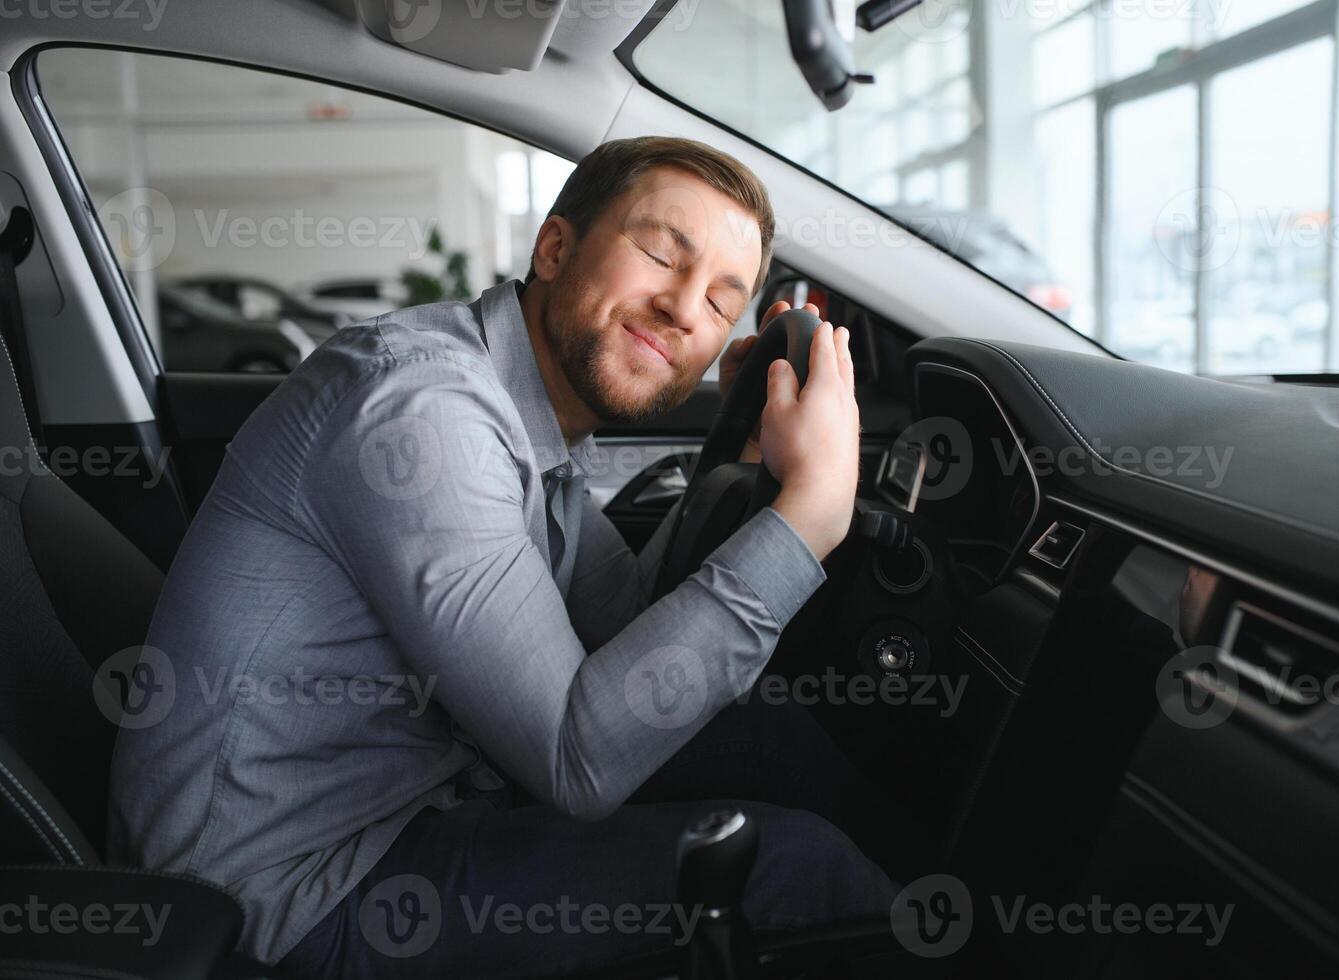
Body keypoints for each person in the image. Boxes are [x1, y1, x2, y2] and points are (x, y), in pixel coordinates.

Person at [109, 136, 897, 978]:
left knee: (760, 738)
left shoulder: (523, 421)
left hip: (405, 812)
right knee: (794, 870)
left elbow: (620, 631)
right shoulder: (422, 414)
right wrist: (810, 514)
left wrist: (733, 456)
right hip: (279, 897)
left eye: (719, 301)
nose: (682, 308)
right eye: (662, 254)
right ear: (554, 248)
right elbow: (578, 756)